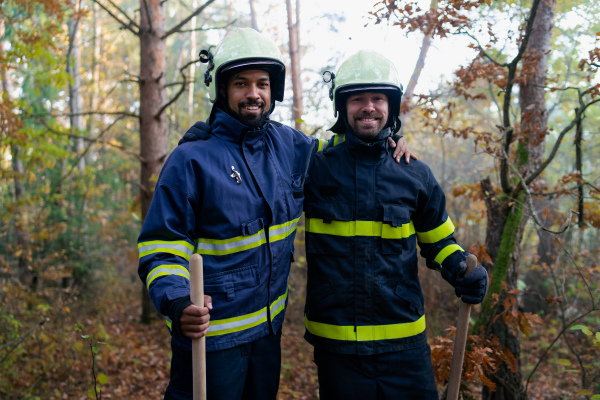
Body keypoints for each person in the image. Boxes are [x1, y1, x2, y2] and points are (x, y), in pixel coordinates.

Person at [137, 28, 412, 400]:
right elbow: (160, 245)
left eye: (263, 84)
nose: (254, 93)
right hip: (212, 342)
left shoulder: (290, 145)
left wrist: (388, 137)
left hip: (268, 337)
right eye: (241, 83)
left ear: (273, 90)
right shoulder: (191, 159)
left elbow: (343, 152)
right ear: (221, 90)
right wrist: (177, 300)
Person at [302, 50, 489, 399]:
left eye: (378, 98)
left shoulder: (415, 173)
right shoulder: (313, 166)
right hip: (337, 348)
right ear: (341, 107)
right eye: (357, 99)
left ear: (392, 105)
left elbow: (438, 242)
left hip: (404, 346)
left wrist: (462, 268)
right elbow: (260, 149)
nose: (368, 107)